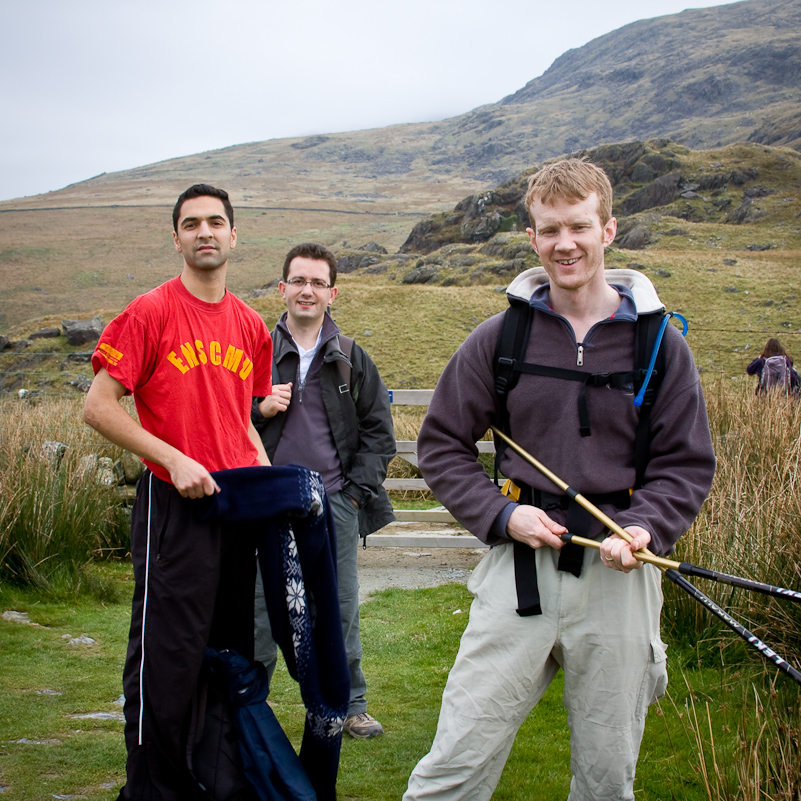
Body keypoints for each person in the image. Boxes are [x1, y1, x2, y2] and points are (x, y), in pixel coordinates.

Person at [403, 158, 716, 800]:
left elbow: (684, 464)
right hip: (516, 572)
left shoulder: (659, 346)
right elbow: (441, 444)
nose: (564, 244)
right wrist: (500, 515)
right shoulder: (500, 338)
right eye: (550, 230)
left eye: (579, 226)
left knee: (607, 778)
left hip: (620, 576)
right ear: (531, 238)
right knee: (454, 765)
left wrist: (643, 526)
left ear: (608, 229)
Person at [83, 184, 273, 800]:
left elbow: (241, 418)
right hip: (174, 506)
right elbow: (99, 408)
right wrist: (173, 460)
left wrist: (270, 489)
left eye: (216, 221)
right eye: (191, 224)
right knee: (167, 658)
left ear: (234, 235)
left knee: (227, 654)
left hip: (236, 508)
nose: (205, 232)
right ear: (177, 239)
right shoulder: (150, 311)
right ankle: (154, 789)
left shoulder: (249, 325)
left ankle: (217, 781)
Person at [252, 241, 396, 739]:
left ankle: (349, 705)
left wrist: (355, 494)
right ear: (282, 288)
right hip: (265, 500)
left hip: (335, 501)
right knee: (259, 607)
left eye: (317, 282)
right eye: (298, 280)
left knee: (339, 608)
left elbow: (381, 435)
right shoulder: (256, 353)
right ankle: (250, 702)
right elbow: (224, 420)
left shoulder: (352, 358)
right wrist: (259, 409)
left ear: (332, 292)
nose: (306, 290)